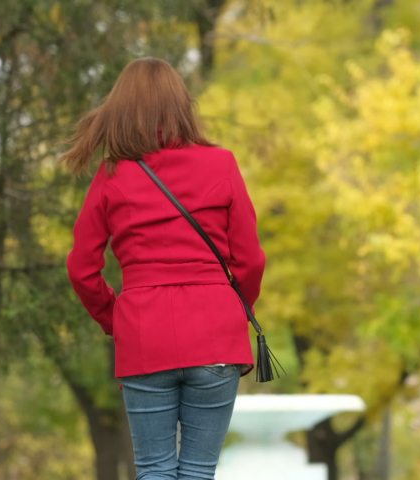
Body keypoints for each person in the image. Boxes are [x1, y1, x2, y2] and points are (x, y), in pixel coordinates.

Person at [62, 57, 266, 480]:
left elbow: (82, 268)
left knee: (154, 470)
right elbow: (251, 260)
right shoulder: (222, 164)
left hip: (144, 332)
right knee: (198, 472)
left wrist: (114, 318)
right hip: (216, 335)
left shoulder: (112, 174)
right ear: (181, 105)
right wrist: (230, 311)